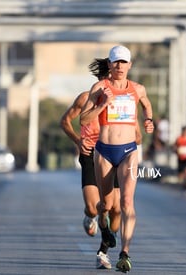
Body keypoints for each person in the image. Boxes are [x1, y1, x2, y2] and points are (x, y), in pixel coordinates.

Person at [60, 57, 142, 269]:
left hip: (117, 153)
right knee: (93, 206)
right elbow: (66, 121)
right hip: (91, 154)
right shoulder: (86, 98)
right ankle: (90, 217)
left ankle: (103, 250)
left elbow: (138, 135)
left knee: (116, 209)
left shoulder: (123, 99)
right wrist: (79, 141)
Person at [80, 45, 154, 272]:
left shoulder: (138, 89)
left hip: (129, 151)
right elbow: (83, 119)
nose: (120, 66)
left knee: (126, 203)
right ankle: (102, 222)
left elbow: (147, 105)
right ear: (110, 65)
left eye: (124, 62)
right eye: (116, 62)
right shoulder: (99, 87)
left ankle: (125, 253)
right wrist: (102, 104)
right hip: (104, 151)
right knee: (106, 204)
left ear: (130, 65)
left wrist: (149, 120)